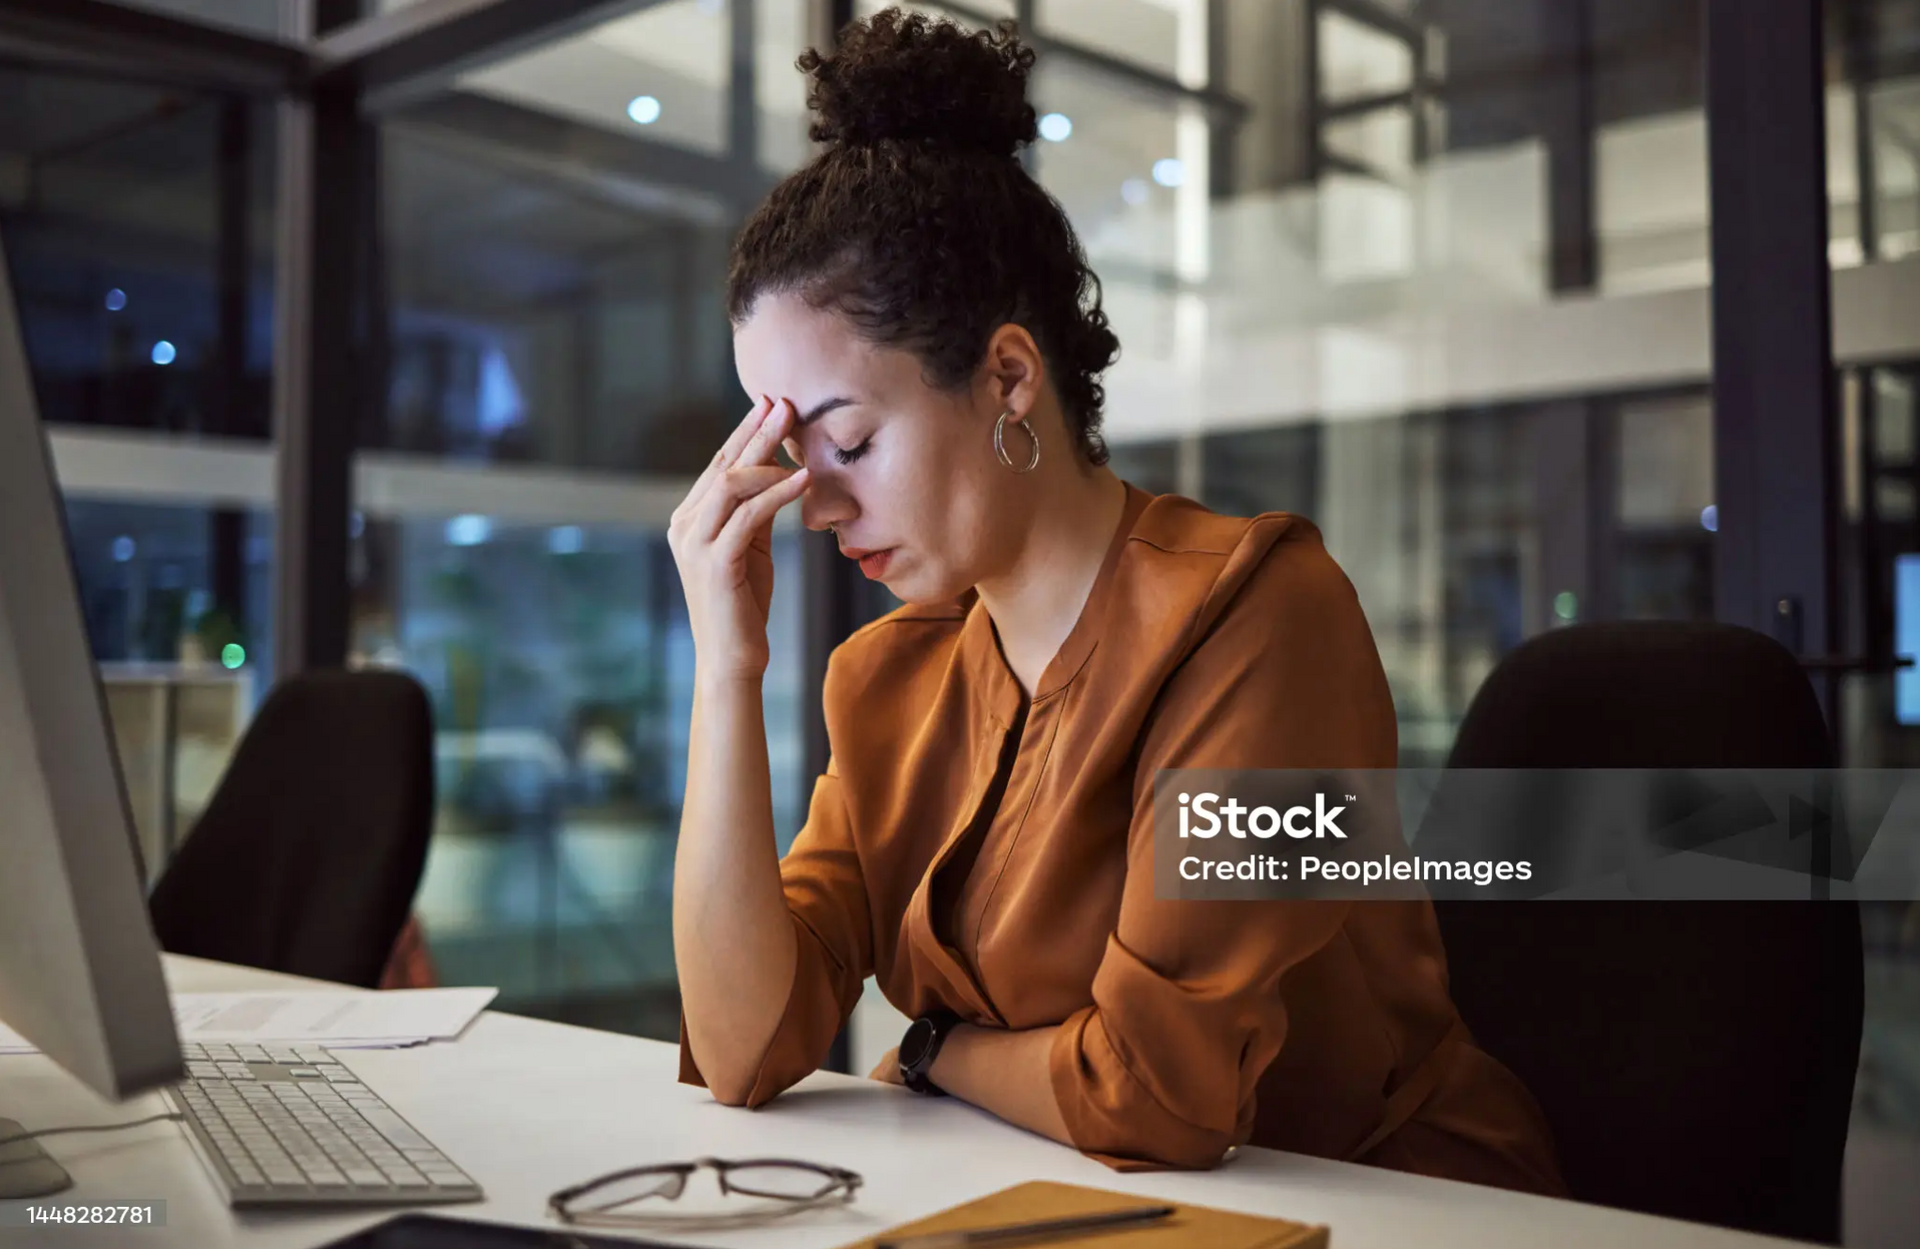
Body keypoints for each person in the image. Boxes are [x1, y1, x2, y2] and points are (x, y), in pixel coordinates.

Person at [668, 7, 1564, 1194]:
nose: (816, 504)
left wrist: (936, 1046)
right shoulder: (887, 679)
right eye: (790, 455)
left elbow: (1157, 1093)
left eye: (850, 441)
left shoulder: (1257, 614)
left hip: (1386, 1205)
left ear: (1008, 376)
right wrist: (726, 673)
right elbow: (740, 1051)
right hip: (1078, 1200)